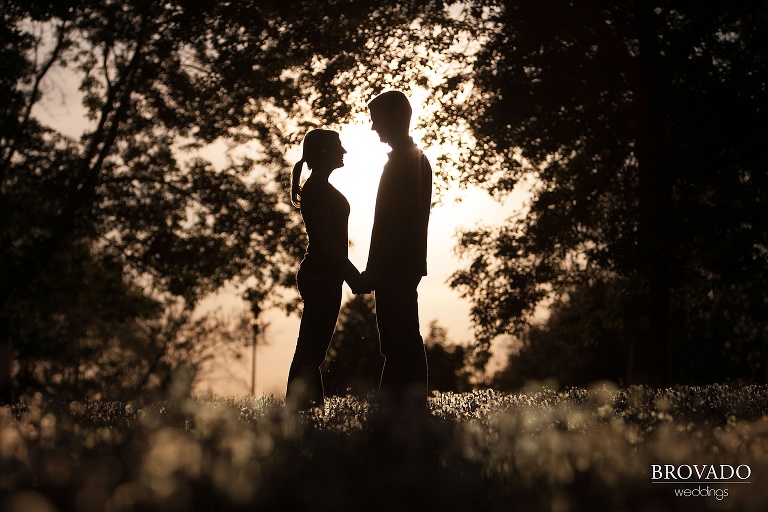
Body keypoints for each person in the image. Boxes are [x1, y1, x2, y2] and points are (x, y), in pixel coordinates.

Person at [356, 91, 433, 415]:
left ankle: (407, 408)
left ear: (392, 119)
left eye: (376, 120)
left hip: (398, 264)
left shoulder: (406, 161)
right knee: (397, 339)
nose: (373, 128)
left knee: (401, 339)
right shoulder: (405, 159)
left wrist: (377, 268)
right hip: (398, 263)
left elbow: (397, 218)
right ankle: (394, 407)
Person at [286, 129, 362, 412]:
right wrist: (353, 274)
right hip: (321, 274)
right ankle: (299, 412)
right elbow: (326, 242)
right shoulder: (316, 190)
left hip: (327, 274)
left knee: (313, 350)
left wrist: (347, 274)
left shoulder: (318, 188)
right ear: (322, 152)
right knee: (310, 350)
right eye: (338, 146)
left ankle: (308, 411)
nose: (343, 152)